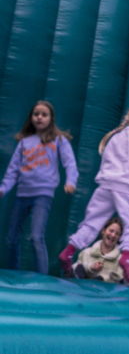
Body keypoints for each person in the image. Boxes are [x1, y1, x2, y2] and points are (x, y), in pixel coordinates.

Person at [59, 101, 129, 283]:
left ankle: (69, 250)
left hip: (105, 185)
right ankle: (126, 258)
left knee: (91, 223)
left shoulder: (117, 136)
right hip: (126, 187)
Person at [0, 100, 78, 275]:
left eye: (44, 114)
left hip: (43, 194)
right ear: (31, 118)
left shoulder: (57, 140)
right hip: (22, 194)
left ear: (51, 118)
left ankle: (42, 278)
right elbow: (12, 171)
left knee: (36, 237)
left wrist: (71, 182)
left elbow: (70, 163)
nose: (40, 117)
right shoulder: (24, 142)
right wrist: (3, 189)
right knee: (11, 239)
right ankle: (13, 275)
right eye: (36, 114)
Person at [72, 216, 124, 282]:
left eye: (117, 234)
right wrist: (91, 268)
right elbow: (75, 271)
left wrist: (102, 280)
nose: (113, 235)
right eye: (111, 231)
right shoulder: (85, 253)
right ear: (103, 230)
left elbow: (119, 279)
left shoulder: (121, 260)